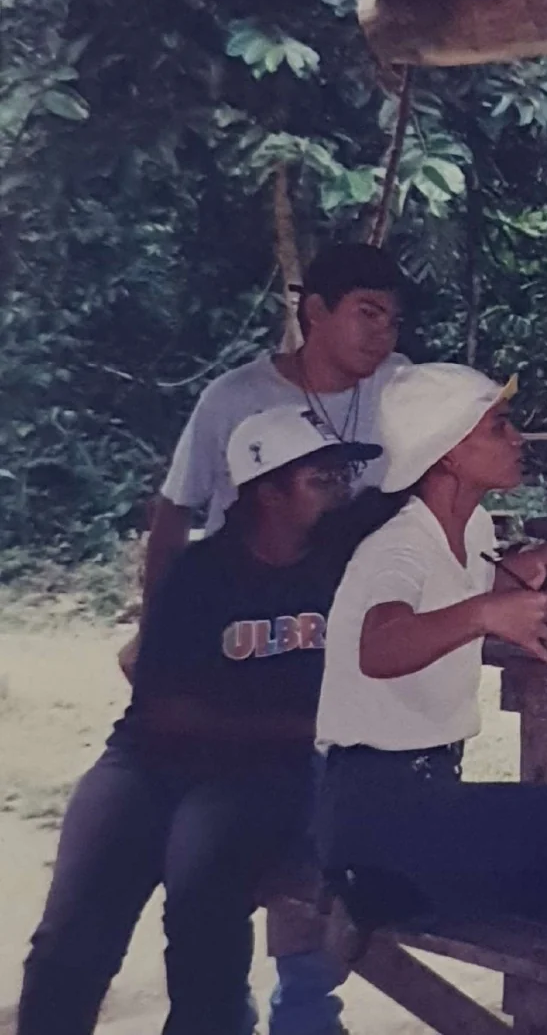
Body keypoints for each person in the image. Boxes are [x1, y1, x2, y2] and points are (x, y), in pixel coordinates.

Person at [19, 409, 382, 1035]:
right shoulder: (200, 574)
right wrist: (303, 726)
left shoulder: (341, 559)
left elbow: (423, 495)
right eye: (323, 477)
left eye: (342, 473)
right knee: (69, 938)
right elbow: (162, 707)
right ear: (269, 492)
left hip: (260, 774)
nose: (342, 487)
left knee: (202, 904)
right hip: (148, 761)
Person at [123, 242, 408, 1035]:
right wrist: (160, 635)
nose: (384, 334)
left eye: (393, 317)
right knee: (220, 834)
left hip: (330, 639)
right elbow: (176, 512)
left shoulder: (399, 389)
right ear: (311, 312)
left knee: (314, 823)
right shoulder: (232, 397)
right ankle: (217, 1013)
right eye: (366, 313)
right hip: (235, 641)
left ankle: (306, 1007)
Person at [314, 363, 547, 935]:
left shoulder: (470, 528)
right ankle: (371, 890)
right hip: (378, 815)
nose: (518, 439)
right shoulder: (396, 545)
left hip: (423, 798)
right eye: (498, 427)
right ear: (445, 453)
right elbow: (379, 644)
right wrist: (484, 616)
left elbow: (481, 583)